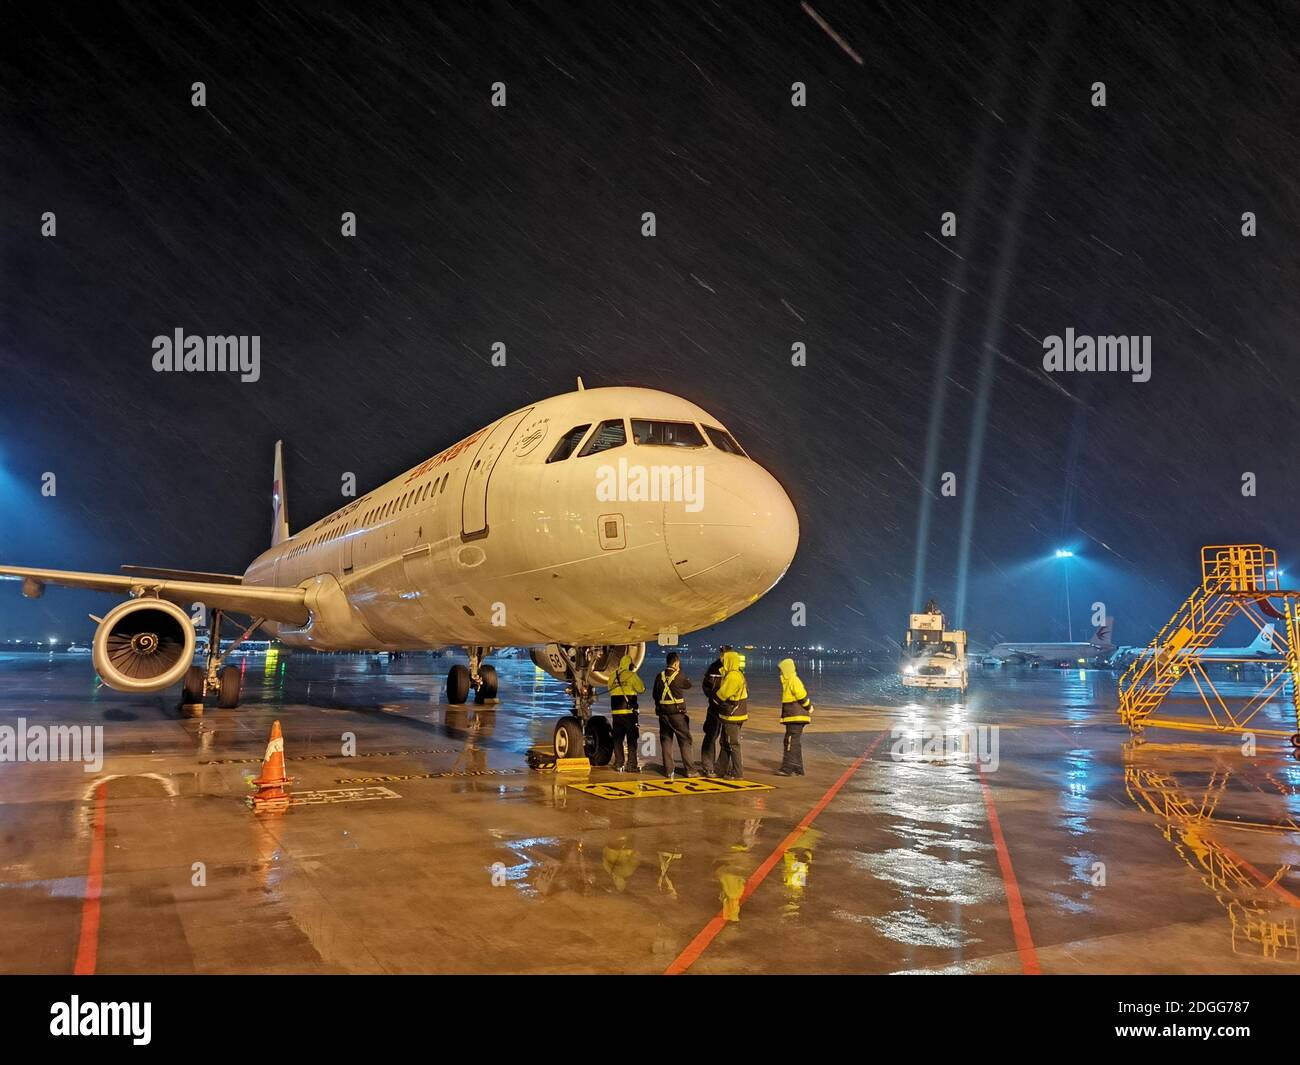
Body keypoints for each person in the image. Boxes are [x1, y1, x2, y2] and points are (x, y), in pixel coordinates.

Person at [653, 651, 693, 778]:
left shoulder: (659, 676)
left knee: (666, 741)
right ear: (676, 663)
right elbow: (688, 685)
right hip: (677, 714)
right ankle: (690, 770)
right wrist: (679, 672)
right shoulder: (679, 675)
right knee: (685, 740)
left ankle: (669, 770)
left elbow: (655, 694)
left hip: (663, 714)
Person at [714, 649, 749, 779]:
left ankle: (737, 772)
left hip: (733, 716)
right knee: (725, 742)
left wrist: (714, 700)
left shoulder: (733, 676)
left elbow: (723, 694)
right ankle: (720, 770)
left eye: (724, 660)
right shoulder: (735, 674)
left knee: (732, 744)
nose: (722, 662)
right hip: (733, 715)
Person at [607, 653, 645, 771]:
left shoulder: (612, 676)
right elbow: (641, 689)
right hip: (629, 713)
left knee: (617, 739)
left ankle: (618, 763)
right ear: (629, 665)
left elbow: (609, 690)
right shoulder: (631, 675)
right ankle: (631, 765)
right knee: (632, 740)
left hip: (616, 713)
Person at [776, 658, 813, 776]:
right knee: (794, 742)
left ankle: (787, 769)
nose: (780, 673)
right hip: (793, 717)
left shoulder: (793, 680)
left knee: (790, 742)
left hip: (796, 717)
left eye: (781, 670)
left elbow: (802, 696)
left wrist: (809, 707)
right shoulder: (789, 681)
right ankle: (798, 767)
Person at [700, 645, 732, 776]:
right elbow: (706, 686)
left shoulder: (734, 670)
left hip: (728, 710)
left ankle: (722, 767)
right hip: (714, 708)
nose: (723, 657)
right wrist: (715, 699)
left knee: (726, 739)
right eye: (722, 654)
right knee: (711, 736)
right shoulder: (714, 667)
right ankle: (708, 766)